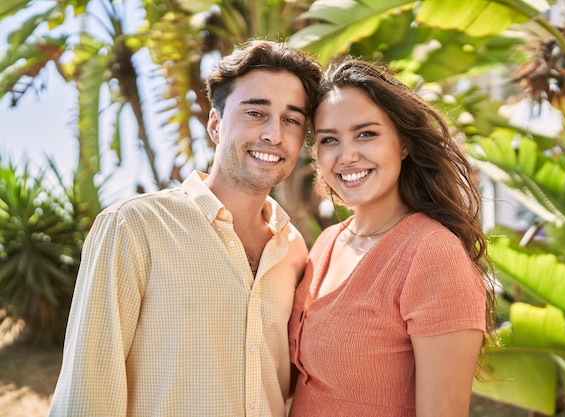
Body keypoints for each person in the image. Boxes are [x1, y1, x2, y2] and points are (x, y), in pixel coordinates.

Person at [48, 40, 322, 417]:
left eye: (291, 119)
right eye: (256, 113)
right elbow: (86, 392)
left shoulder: (293, 248)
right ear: (215, 124)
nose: (274, 134)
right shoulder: (132, 227)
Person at [288, 60, 496, 417]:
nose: (347, 155)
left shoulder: (432, 253)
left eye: (366, 134)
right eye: (329, 140)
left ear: (402, 144)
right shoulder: (327, 242)